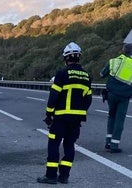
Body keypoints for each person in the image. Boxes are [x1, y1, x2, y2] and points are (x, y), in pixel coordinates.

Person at [37, 42, 92, 184]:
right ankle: (64, 176)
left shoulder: (62, 74)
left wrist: (49, 114)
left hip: (61, 118)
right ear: (79, 57)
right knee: (69, 146)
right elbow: (88, 99)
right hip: (76, 120)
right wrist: (80, 112)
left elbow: (53, 96)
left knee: (54, 144)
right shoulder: (86, 76)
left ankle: (50, 176)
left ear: (66, 58)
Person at [100, 43, 132, 153]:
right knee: (119, 120)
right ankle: (114, 145)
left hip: (111, 94)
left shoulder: (113, 61)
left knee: (111, 116)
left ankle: (108, 142)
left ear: (123, 50)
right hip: (124, 97)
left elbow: (101, 74)